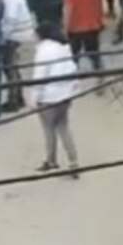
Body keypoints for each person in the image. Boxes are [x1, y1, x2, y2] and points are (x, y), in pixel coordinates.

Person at [31, 21, 80, 176]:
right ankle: (74, 162)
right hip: (64, 95)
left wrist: (33, 97)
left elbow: (40, 76)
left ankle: (50, 160)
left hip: (48, 97)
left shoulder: (43, 51)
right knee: (64, 128)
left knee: (48, 130)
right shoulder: (64, 48)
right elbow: (72, 69)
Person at [0, 0, 35, 113]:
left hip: (15, 35)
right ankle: (19, 97)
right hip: (21, 33)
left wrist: (2, 37)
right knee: (13, 68)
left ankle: (13, 100)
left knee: (10, 68)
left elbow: (10, 19)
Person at [65, 0, 104, 82]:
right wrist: (100, 21)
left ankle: (72, 79)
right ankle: (100, 76)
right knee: (94, 55)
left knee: (74, 56)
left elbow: (68, 11)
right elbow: (99, 5)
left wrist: (66, 28)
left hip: (75, 28)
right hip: (93, 26)